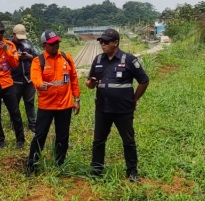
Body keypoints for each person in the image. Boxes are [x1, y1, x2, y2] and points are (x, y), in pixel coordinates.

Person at [86, 29, 149, 182]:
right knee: (98, 140)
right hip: (102, 109)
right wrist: (91, 83)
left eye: (106, 41)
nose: (103, 44)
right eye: (101, 41)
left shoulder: (128, 60)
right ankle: (96, 170)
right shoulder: (98, 60)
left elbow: (144, 80)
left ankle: (132, 171)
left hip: (123, 110)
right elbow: (89, 84)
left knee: (128, 140)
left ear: (116, 43)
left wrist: (134, 99)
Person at [26, 30, 81, 176]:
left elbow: (74, 78)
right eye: (52, 44)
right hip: (46, 106)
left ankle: (60, 164)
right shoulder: (39, 61)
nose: (56, 45)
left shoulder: (66, 58)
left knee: (62, 136)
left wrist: (77, 99)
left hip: (64, 105)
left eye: (57, 42)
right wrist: (39, 84)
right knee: (40, 135)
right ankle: (32, 165)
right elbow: (35, 76)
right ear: (44, 45)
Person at [0, 21, 25, 149]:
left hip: (7, 82)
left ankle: (20, 140)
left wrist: (6, 50)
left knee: (15, 112)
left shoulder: (10, 45)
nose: (0, 34)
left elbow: (15, 63)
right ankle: (0, 140)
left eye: (2, 32)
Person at [11, 24, 38, 133]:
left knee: (30, 103)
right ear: (13, 35)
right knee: (14, 104)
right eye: (18, 37)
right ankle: (15, 124)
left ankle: (33, 123)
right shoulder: (8, 45)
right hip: (15, 80)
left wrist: (28, 56)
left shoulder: (28, 43)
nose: (20, 39)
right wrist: (15, 56)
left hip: (29, 79)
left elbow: (36, 58)